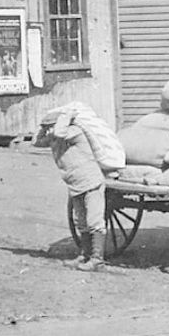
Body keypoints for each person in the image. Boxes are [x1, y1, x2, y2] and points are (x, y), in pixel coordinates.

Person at [41, 105, 113, 271]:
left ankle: (97, 260)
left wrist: (65, 117)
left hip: (91, 182)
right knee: (81, 221)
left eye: (50, 126)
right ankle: (84, 255)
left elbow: (59, 132)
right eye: (47, 128)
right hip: (75, 185)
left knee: (94, 221)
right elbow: (36, 142)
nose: (49, 130)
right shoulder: (55, 137)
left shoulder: (74, 132)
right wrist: (42, 127)